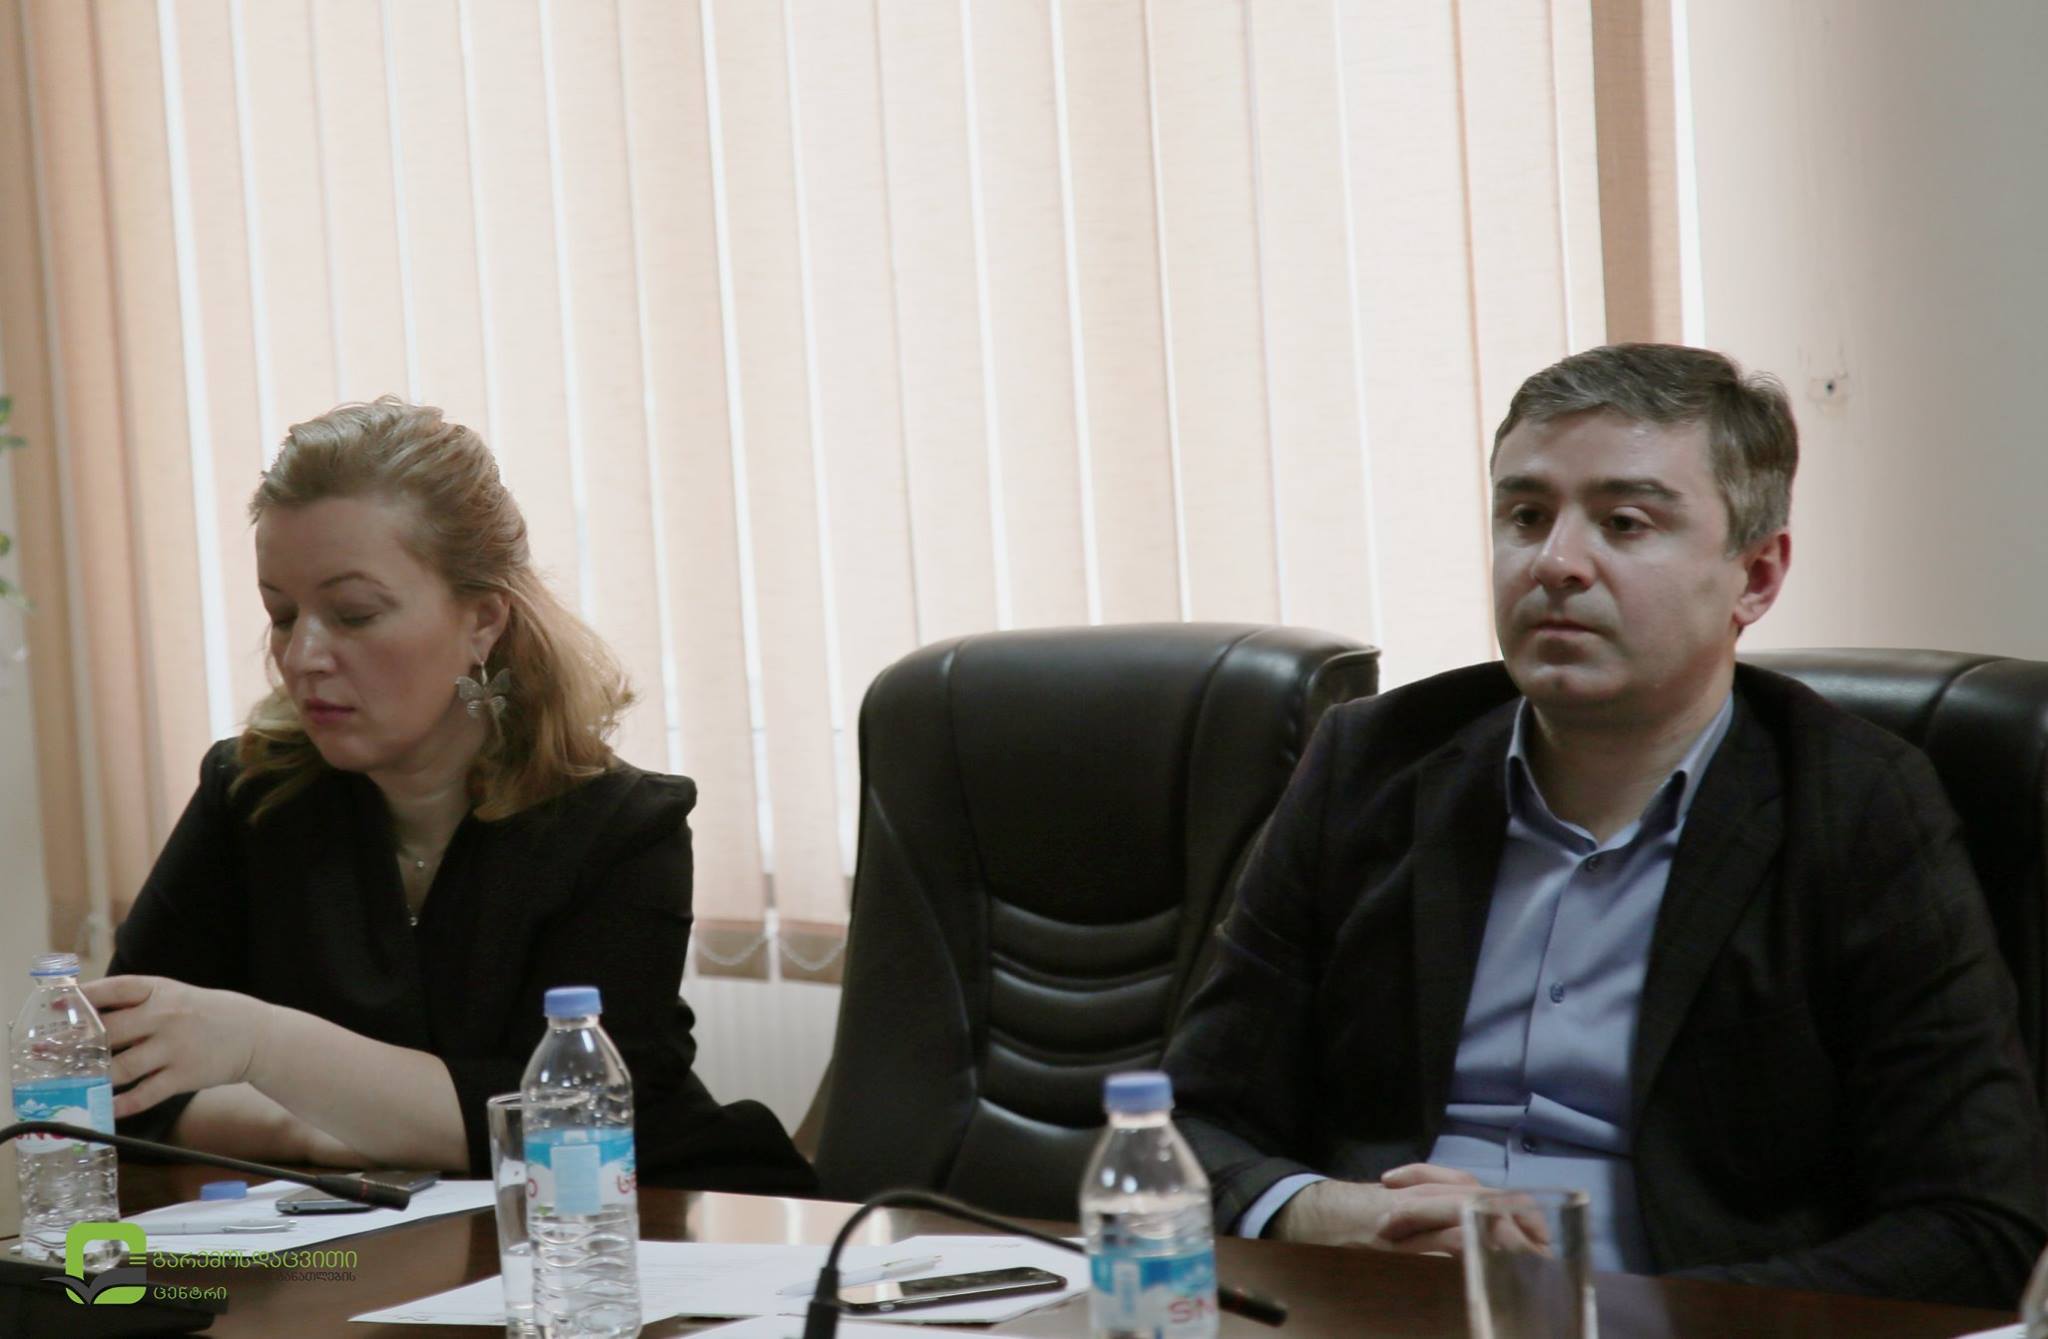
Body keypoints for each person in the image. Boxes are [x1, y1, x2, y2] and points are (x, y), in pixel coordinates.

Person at [1162, 343, 2048, 1306]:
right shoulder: (1370, 766)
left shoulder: (1860, 807)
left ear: (1756, 576)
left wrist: (1617, 1314)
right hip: (1372, 1310)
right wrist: (1329, 1214)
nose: (1555, 563)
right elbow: (1177, 1129)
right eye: (1525, 516)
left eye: (1624, 523)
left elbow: (1974, 1223)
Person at [87, 397, 815, 1193]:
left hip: (633, 1230)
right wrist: (307, 1128)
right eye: (283, 614)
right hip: (355, 1241)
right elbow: (107, 1077)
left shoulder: (621, 828)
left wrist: (259, 1047)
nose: (303, 655)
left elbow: (564, 1116)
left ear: (483, 621)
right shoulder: (250, 794)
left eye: (354, 613)